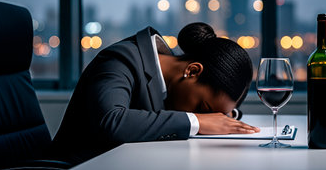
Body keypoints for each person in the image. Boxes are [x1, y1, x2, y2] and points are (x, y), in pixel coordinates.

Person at [51, 22, 260, 165]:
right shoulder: (121, 60)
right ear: (192, 70)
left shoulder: (169, 81)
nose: (206, 116)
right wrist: (197, 120)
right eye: (203, 108)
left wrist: (226, 117)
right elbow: (111, 121)